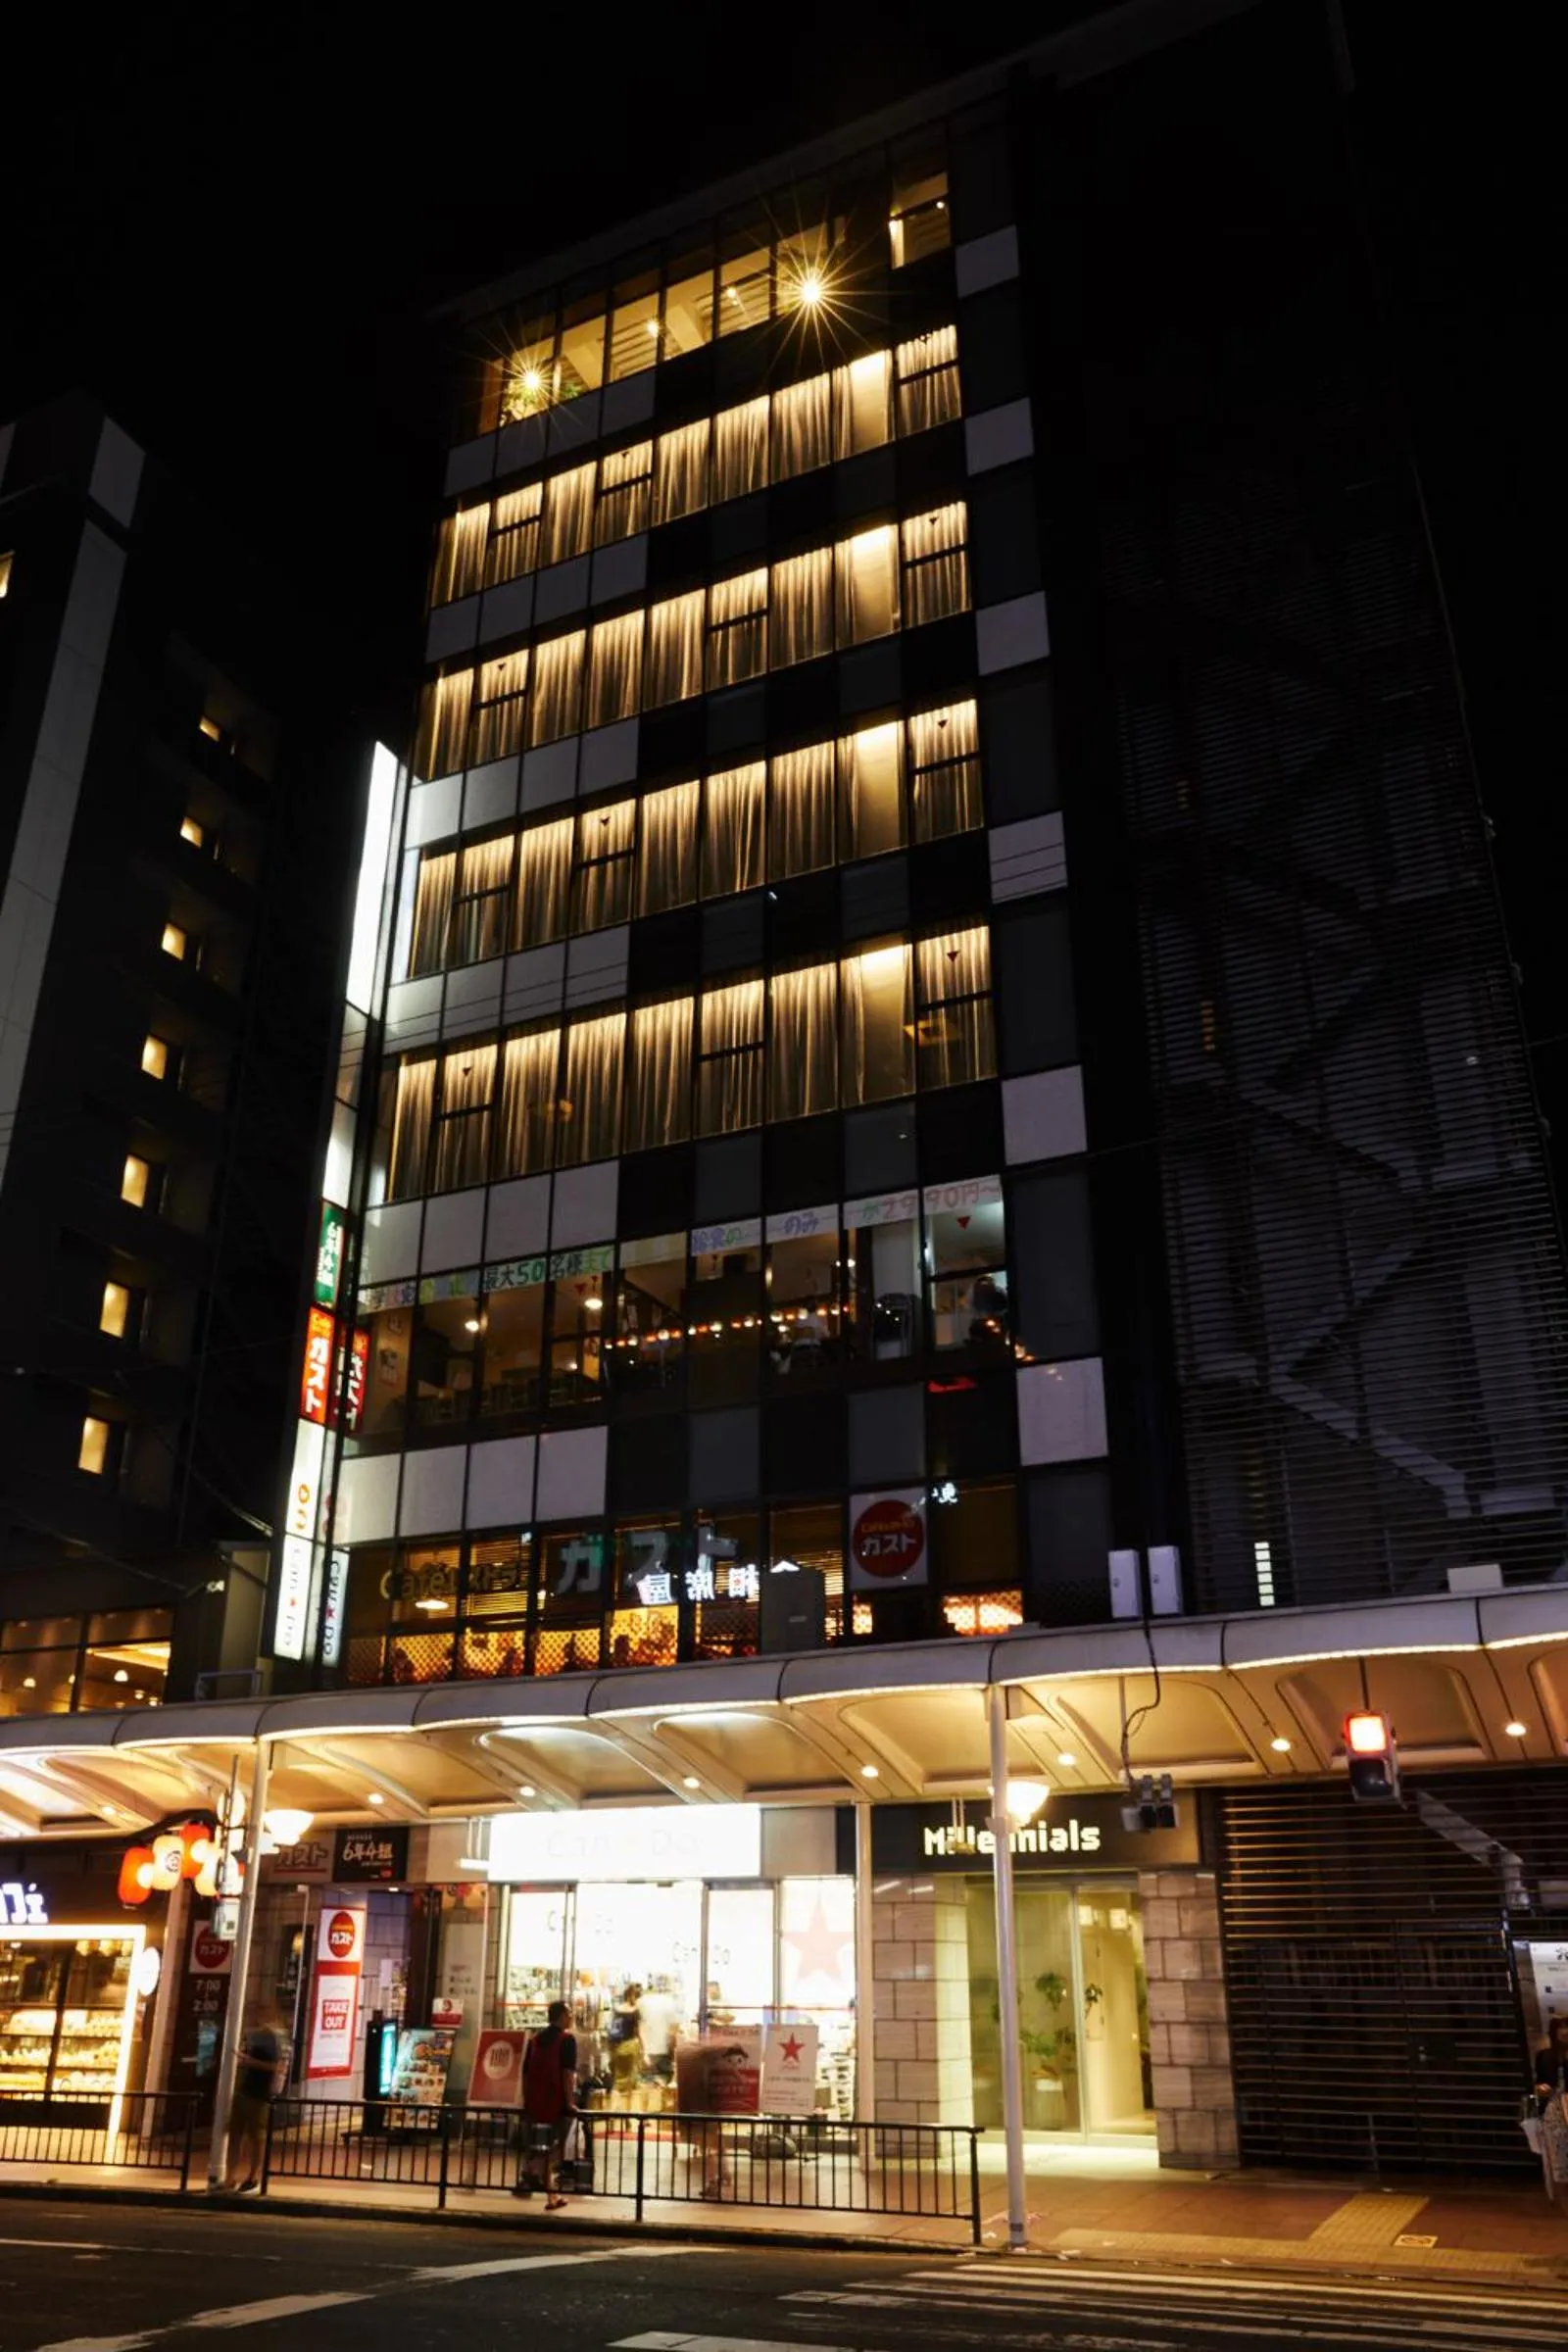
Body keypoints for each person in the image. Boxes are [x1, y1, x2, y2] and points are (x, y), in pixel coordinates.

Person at [514, 1998, 577, 2210]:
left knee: (543, 2145)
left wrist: (525, 2099)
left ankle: (552, 2197)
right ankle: (531, 2170)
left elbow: (524, 2072)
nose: (571, 2017)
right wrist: (570, 2101)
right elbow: (568, 2073)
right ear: (560, 2016)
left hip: (534, 2101)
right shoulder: (567, 2040)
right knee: (556, 2147)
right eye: (568, 2014)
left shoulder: (535, 2040)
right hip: (556, 2101)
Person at [222, 2014, 283, 2193]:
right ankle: (230, 2176)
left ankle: (252, 2177)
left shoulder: (270, 2039)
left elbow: (276, 2067)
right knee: (236, 2134)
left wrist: (247, 2060)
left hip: (258, 2094)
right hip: (244, 2091)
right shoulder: (252, 2036)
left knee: (256, 2137)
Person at [1535, 2015, 1568, 2100]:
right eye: (1562, 2027)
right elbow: (1539, 2083)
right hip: (1553, 2104)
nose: (1565, 2031)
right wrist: (1541, 2088)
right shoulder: (1544, 2056)